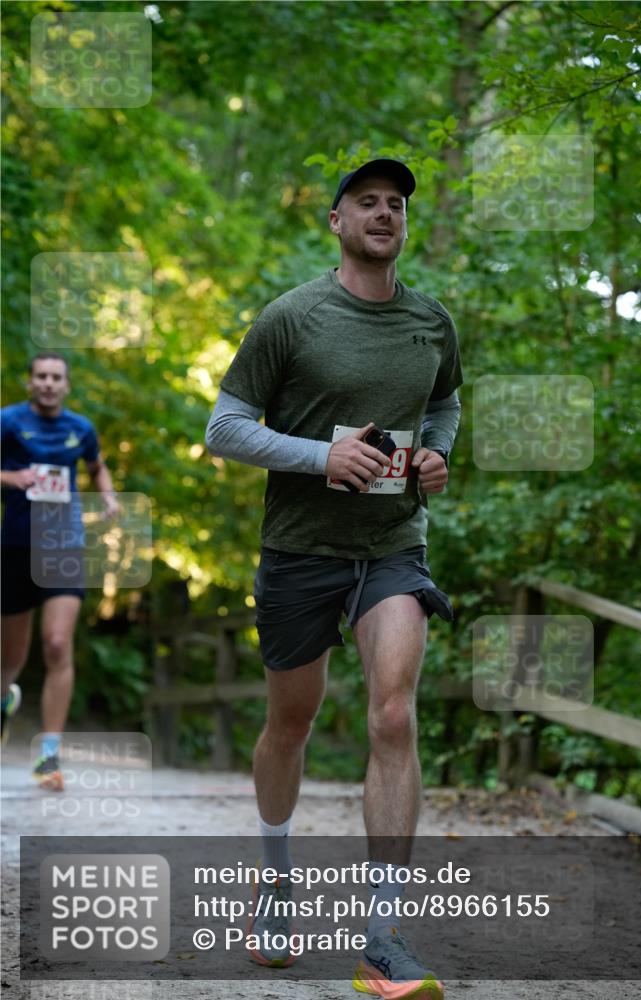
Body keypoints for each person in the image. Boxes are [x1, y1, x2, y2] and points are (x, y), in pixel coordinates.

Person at [206, 159, 462, 999]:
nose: (384, 213)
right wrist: (323, 456)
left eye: (395, 204)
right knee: (292, 720)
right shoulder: (292, 317)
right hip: (299, 549)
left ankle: (381, 938)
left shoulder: (431, 323)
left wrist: (435, 453)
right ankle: (274, 878)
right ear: (335, 220)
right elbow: (226, 426)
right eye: (367, 202)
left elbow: (447, 403)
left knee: (393, 713)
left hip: (392, 546)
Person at [1, 352, 119, 790]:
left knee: (55, 643)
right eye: (41, 377)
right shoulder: (8, 422)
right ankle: (3, 704)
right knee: (9, 660)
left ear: (66, 385)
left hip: (63, 544)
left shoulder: (81, 429)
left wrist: (107, 497)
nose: (49, 383)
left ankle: (48, 757)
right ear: (30, 382)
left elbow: (96, 467)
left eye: (56, 377)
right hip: (13, 546)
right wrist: (11, 479)